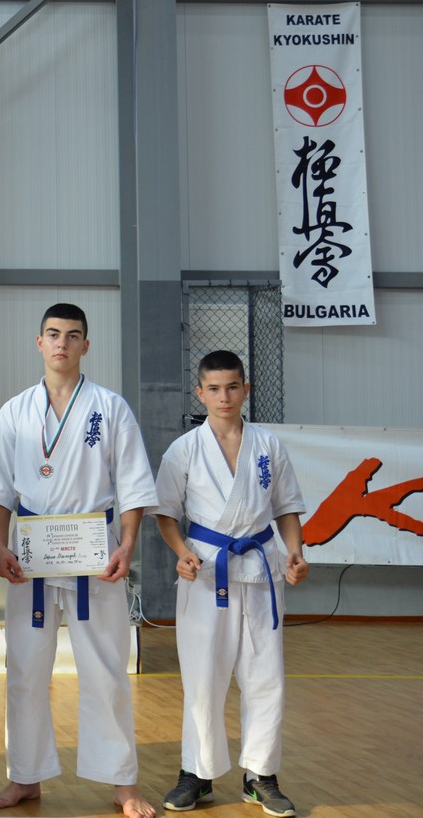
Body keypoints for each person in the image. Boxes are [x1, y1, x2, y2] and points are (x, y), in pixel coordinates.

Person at [0, 303, 157, 818]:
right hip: (31, 557)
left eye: (73, 336)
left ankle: (122, 782)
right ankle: (24, 775)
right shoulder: (15, 411)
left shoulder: (110, 407)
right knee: (24, 670)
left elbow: (134, 485)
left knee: (106, 669)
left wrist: (127, 545)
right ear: (39, 342)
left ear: (86, 345)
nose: (62, 343)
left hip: (95, 554)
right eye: (53, 334)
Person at [153, 350, 309, 817]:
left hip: (261, 571)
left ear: (246, 390)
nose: (224, 397)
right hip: (206, 570)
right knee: (203, 677)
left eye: (233, 387)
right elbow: (166, 514)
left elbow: (287, 507)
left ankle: (261, 775)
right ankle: (197, 774)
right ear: (200, 393)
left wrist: (295, 552)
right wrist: (181, 553)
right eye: (215, 389)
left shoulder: (268, 445)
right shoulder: (184, 449)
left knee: (265, 676)